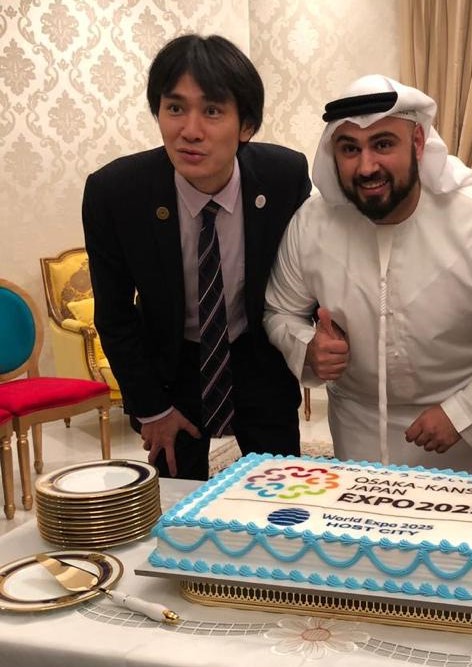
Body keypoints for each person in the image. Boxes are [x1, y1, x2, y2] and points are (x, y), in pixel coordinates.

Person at [264, 74, 472, 473]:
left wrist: (461, 414)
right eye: (349, 149)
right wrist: (307, 347)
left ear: (419, 143)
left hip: (460, 430)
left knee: (457, 533)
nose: (366, 165)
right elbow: (279, 311)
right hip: (356, 422)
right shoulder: (311, 225)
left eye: (383, 144)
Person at [83, 34, 311, 480]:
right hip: (171, 368)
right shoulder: (116, 193)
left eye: (211, 110)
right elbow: (114, 315)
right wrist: (151, 409)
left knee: (280, 502)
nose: (189, 130)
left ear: (245, 125)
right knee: (175, 508)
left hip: (257, 359)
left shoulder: (284, 177)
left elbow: (307, 276)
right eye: (174, 108)